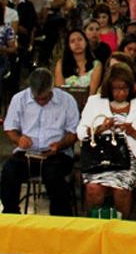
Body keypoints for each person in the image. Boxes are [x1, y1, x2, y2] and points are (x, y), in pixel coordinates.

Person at [1, 68, 79, 215]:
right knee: (8, 172)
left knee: (53, 176)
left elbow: (74, 133)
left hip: (57, 153)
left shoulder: (67, 101)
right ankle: (11, 214)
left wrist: (60, 144)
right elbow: (9, 128)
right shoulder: (19, 99)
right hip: (27, 153)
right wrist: (19, 139)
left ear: (52, 88)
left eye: (44, 98)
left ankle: (60, 219)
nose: (40, 101)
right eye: (36, 98)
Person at [78, 64, 136, 217]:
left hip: (131, 159)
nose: (121, 93)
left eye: (125, 88)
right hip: (99, 157)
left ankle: (121, 226)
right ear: (109, 88)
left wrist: (132, 132)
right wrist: (100, 128)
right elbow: (80, 132)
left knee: (121, 188)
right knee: (93, 188)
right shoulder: (94, 102)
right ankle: (93, 225)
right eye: (116, 89)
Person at [54, 28, 103, 95]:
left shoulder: (97, 65)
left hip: (89, 100)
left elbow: (92, 92)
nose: (77, 43)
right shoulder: (61, 64)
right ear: (68, 46)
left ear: (86, 42)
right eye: (72, 41)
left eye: (80, 39)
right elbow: (60, 92)